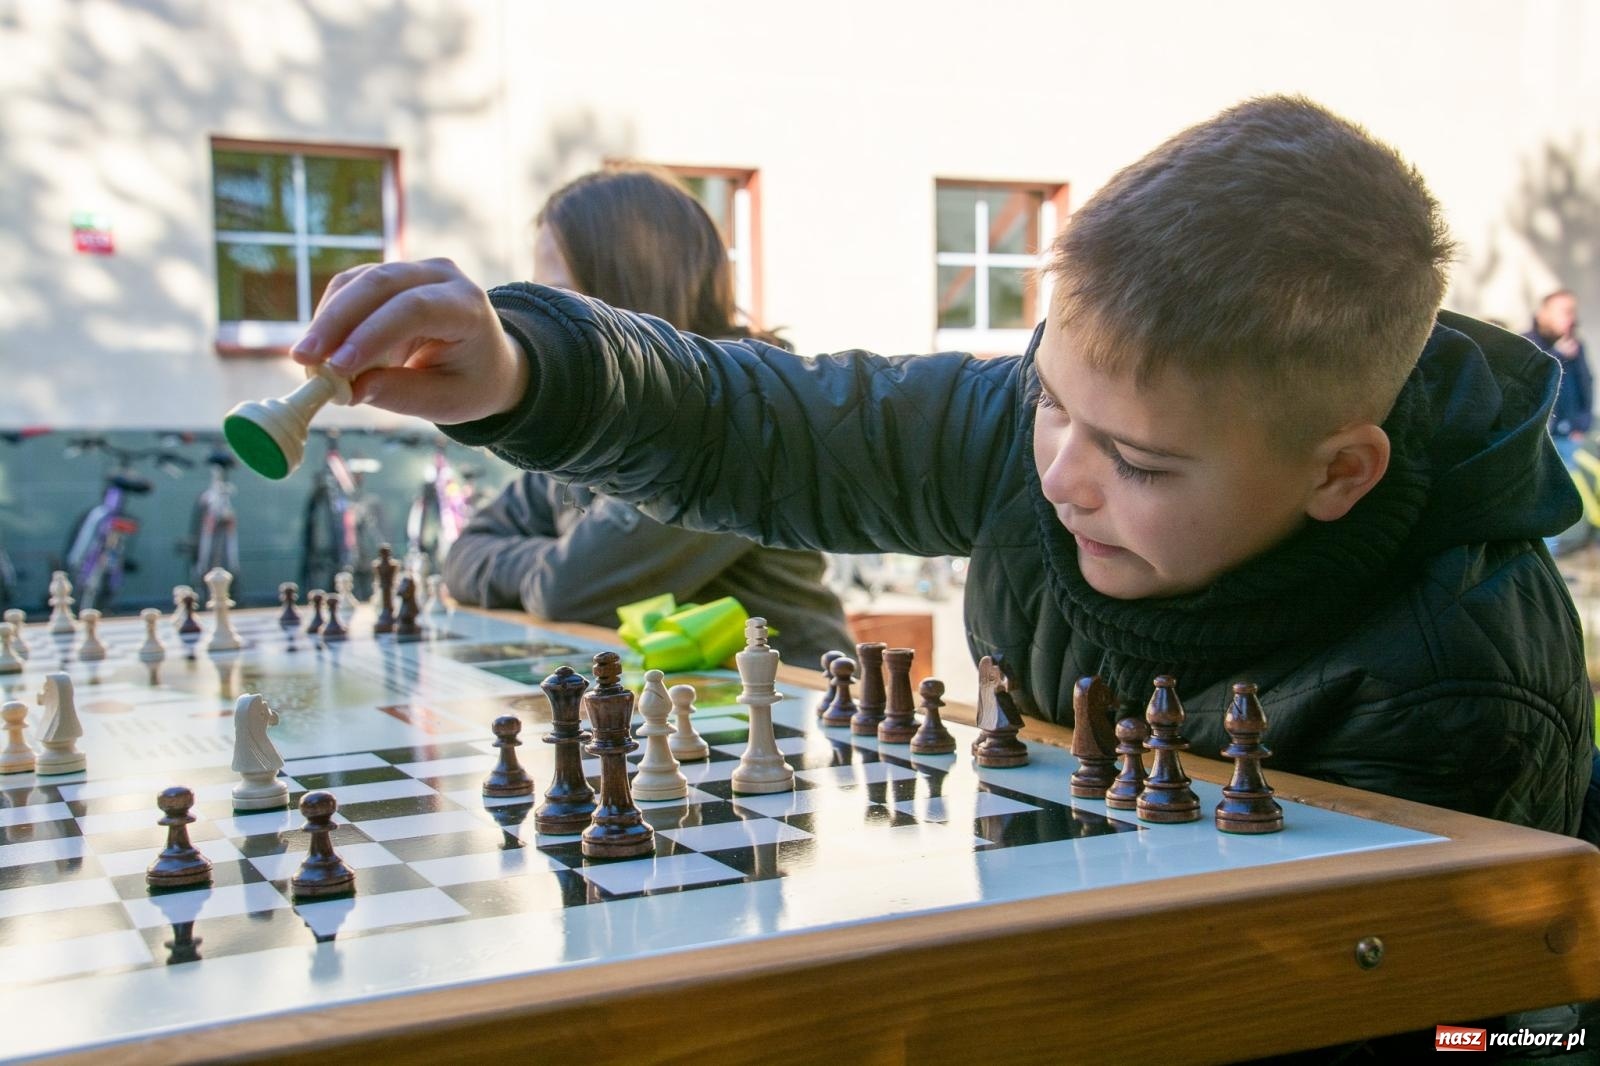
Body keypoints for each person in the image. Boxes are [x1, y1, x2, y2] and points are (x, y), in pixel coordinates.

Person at [292, 96, 1592, 842]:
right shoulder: (1041, 439)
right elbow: (767, 420)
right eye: (1045, 400)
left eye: (1136, 460)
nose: (1061, 476)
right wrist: (526, 367)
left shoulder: (1458, 685)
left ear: (1340, 474)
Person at [439, 168, 853, 664]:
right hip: (670, 706)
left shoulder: (738, 408)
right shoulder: (585, 414)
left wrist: (544, 571)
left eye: (558, 297)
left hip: (776, 709)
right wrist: (544, 567)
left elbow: (574, 591)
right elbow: (464, 557)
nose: (542, 321)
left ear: (624, 288)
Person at [1524, 289, 1591, 458]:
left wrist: (1582, 424)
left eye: (1572, 312)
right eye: (1565, 312)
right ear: (1543, 313)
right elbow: (1530, 379)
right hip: (1538, 438)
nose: (1571, 319)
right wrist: (1558, 355)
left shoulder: (1575, 346)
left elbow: (1586, 384)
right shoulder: (1526, 343)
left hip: (1570, 437)